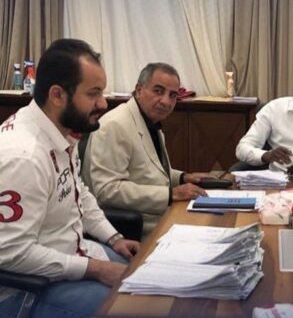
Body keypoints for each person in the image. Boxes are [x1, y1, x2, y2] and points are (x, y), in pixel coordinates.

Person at [0, 39, 141, 318]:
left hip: (58, 255)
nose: (103, 104)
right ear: (57, 95)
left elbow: (77, 191)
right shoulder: (22, 157)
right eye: (93, 93)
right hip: (9, 290)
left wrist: (113, 238)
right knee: (134, 313)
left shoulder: (60, 129)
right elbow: (11, 254)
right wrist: (97, 268)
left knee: (141, 279)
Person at [82, 62, 208, 236]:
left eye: (172, 95)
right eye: (158, 91)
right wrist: (171, 194)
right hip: (136, 228)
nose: (166, 101)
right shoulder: (115, 125)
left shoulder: (149, 121)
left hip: (160, 216)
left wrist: (183, 177)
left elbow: (148, 172)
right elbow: (108, 191)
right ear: (139, 90)